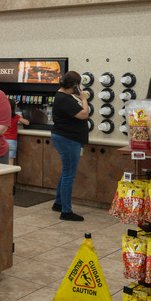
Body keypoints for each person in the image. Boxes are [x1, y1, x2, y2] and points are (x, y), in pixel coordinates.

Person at [49, 71, 89, 221]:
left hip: (65, 138)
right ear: (75, 85)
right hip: (68, 139)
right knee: (69, 175)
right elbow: (84, 114)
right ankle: (66, 211)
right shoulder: (64, 98)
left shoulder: (62, 96)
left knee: (66, 172)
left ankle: (59, 203)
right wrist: (84, 99)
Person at [4, 99, 30, 165]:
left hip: (3, 140)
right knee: (10, 161)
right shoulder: (16, 117)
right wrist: (21, 117)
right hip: (12, 141)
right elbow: (27, 123)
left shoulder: (2, 116)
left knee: (3, 161)